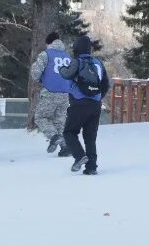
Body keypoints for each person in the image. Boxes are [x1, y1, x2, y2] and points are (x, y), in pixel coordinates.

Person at [59, 35, 110, 175]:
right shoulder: (98, 63)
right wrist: (98, 97)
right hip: (95, 105)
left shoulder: (77, 62)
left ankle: (80, 156)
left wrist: (62, 69)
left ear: (77, 48)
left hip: (79, 103)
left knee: (69, 132)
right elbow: (106, 83)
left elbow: (66, 74)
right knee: (90, 137)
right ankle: (91, 167)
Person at [30, 32, 72, 157]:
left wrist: (40, 77)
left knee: (40, 117)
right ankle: (65, 147)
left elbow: (35, 74)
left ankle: (53, 136)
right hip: (65, 93)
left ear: (48, 43)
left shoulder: (46, 54)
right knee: (60, 122)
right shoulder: (67, 56)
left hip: (50, 92)